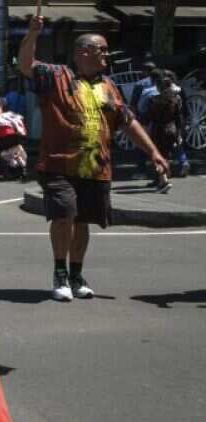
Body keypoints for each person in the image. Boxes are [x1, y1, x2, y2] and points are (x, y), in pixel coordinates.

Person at [18, 16, 169, 302]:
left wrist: (154, 153)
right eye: (102, 50)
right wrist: (32, 35)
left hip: (96, 167)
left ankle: (76, 274)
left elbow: (128, 122)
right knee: (64, 213)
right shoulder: (56, 75)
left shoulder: (109, 86)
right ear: (84, 51)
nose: (107, 55)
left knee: (84, 220)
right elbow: (26, 65)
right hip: (58, 164)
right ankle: (60, 273)